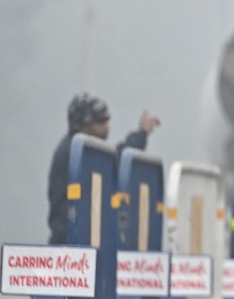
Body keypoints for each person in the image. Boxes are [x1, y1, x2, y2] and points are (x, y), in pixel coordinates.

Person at [47, 93, 159, 244]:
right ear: (82, 124)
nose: (106, 127)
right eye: (99, 122)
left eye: (106, 121)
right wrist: (141, 134)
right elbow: (115, 160)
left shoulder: (82, 149)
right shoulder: (77, 152)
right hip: (70, 243)